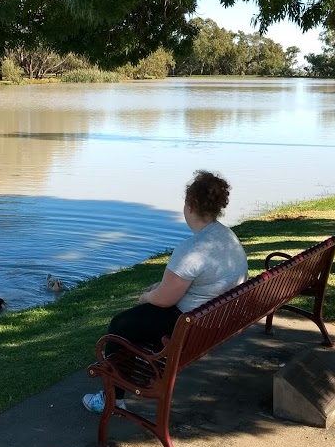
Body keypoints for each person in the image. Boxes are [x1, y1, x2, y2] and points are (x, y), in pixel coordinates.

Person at [82, 170, 249, 413]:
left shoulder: (192, 249)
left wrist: (146, 296)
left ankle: (112, 398)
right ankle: (124, 382)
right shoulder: (226, 236)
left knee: (120, 326)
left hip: (192, 326)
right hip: (217, 319)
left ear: (190, 205)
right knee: (138, 321)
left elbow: (164, 299)